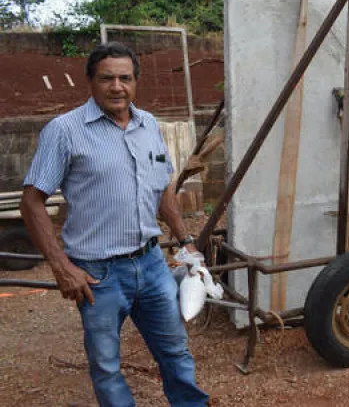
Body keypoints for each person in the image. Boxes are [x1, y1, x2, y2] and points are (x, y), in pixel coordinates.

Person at [20, 42, 209, 407]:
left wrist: (186, 241)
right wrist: (61, 267)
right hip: (96, 275)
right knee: (106, 367)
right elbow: (32, 202)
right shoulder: (65, 131)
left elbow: (162, 189)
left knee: (175, 353)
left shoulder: (148, 124)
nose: (117, 86)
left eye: (125, 78)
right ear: (90, 82)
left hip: (151, 265)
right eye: (107, 78)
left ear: (136, 82)